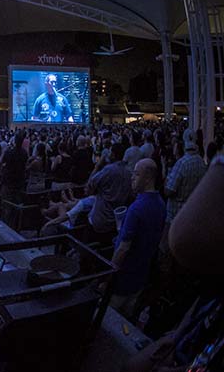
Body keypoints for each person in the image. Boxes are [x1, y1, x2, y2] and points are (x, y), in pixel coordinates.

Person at [122, 157, 224, 372]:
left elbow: (183, 239)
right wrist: (179, 333)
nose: (132, 177)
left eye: (136, 174)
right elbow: (205, 297)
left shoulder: (144, 208)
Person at [109, 159, 165, 318]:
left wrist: (108, 276)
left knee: (110, 319)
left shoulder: (136, 208)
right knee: (128, 317)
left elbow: (123, 248)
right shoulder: (160, 204)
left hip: (123, 278)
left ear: (147, 178)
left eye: (136, 174)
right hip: (140, 277)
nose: (132, 177)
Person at [163, 128, 207, 252]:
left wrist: (166, 177)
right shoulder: (200, 162)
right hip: (190, 213)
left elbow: (169, 191)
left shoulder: (181, 163)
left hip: (174, 215)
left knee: (166, 250)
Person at [87, 143, 132, 244]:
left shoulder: (110, 169)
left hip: (100, 219)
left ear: (114, 155)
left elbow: (90, 184)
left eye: (111, 152)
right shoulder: (128, 172)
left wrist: (97, 166)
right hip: (115, 220)